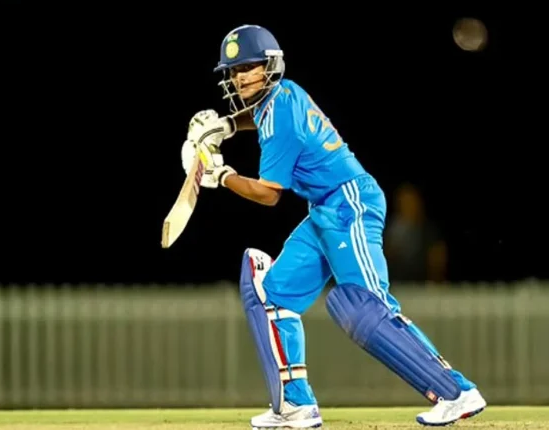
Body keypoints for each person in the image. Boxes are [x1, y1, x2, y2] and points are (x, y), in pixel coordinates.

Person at [181, 25, 486, 428]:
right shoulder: (282, 96)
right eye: (234, 71)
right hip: (325, 209)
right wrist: (226, 127)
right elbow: (260, 118)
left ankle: (457, 392)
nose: (240, 78)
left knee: (365, 306)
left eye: (249, 67)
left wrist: (221, 176)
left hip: (349, 205)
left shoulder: (280, 116)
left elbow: (269, 195)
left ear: (270, 66)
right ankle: (295, 406)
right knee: (272, 294)